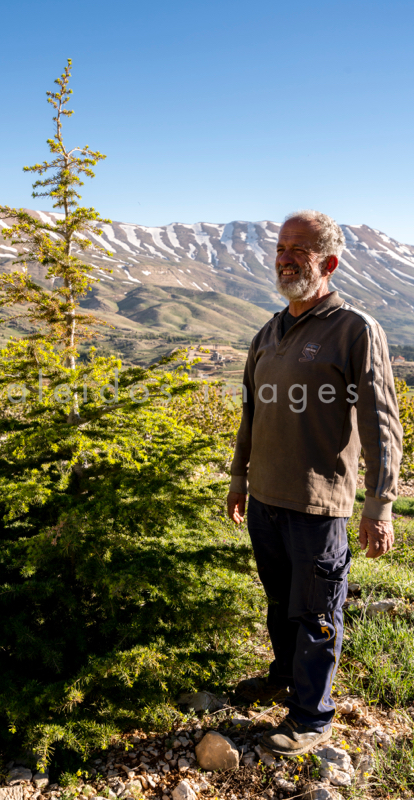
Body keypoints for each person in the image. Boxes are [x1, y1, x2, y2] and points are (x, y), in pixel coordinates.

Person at [227, 209, 402, 756]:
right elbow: (251, 412)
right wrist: (238, 478)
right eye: (280, 246)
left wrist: (382, 501)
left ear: (327, 262)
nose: (283, 256)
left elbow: (381, 420)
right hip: (266, 499)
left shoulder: (355, 329)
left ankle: (311, 717)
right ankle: (284, 677)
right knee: (280, 603)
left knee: (318, 611)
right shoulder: (268, 331)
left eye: (297, 248)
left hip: (320, 503)